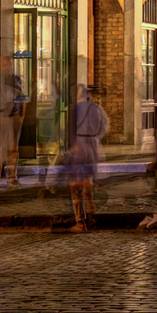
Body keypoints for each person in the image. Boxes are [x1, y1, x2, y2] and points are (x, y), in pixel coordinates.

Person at [60, 84, 108, 231]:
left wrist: (68, 147)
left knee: (75, 184)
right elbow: (104, 126)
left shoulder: (72, 110)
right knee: (88, 181)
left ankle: (80, 221)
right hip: (93, 146)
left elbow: (65, 130)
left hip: (78, 146)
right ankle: (91, 216)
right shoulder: (97, 108)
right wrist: (94, 137)